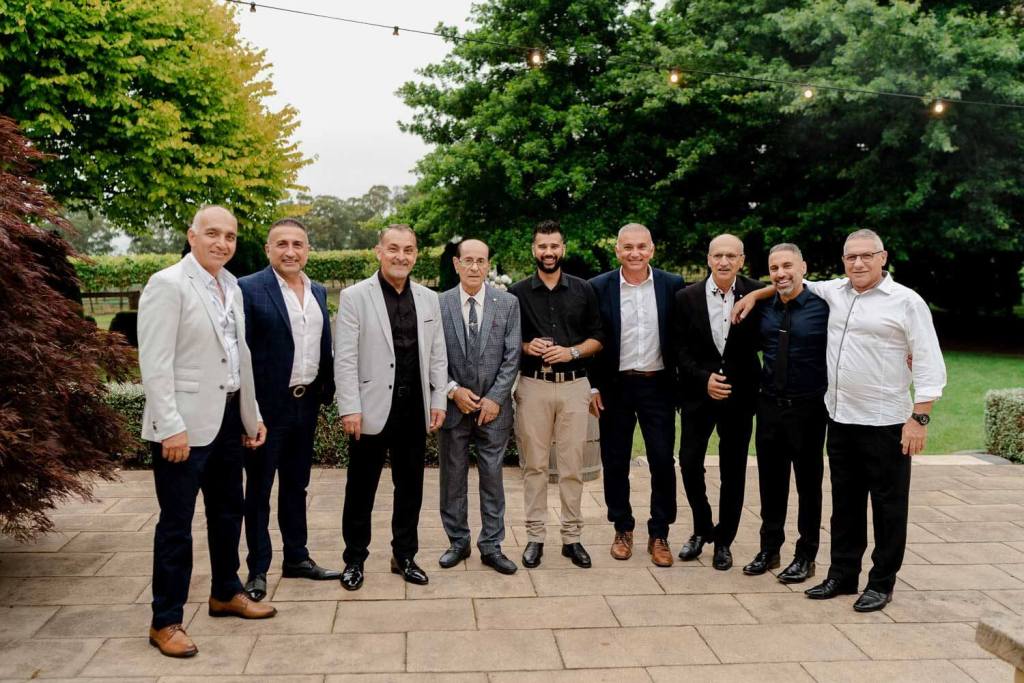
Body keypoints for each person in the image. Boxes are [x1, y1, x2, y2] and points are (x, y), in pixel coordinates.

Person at [734, 228, 946, 611]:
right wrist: (755, 292)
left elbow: (930, 362)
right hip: (841, 417)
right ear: (843, 262)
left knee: (888, 506)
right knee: (845, 504)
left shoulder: (906, 302)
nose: (859, 263)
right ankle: (843, 575)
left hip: (886, 422)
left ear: (883, 257)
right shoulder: (836, 291)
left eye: (867, 256)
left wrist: (920, 418)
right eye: (851, 258)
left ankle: (881, 582)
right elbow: (791, 281)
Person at [138, 205, 275, 658]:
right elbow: (155, 364)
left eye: (230, 236)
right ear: (191, 235)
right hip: (183, 429)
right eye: (212, 233)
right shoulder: (167, 285)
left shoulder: (231, 286)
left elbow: (239, 359)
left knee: (227, 513)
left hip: (228, 419)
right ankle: (165, 620)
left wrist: (250, 416)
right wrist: (169, 427)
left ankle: (224, 592)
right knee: (176, 526)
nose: (222, 243)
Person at [333, 224, 447, 590]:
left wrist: (439, 398)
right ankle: (354, 559)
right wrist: (349, 407)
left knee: (410, 487)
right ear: (378, 251)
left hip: (415, 408)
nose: (401, 256)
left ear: (416, 254)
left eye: (409, 250)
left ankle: (405, 556)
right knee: (360, 489)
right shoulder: (355, 297)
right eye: (394, 249)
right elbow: (345, 359)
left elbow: (438, 356)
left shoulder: (430, 299)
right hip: (369, 409)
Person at [237, 218, 341, 602]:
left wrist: (326, 393)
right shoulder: (248, 289)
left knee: (297, 487)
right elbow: (241, 356)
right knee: (260, 490)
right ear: (269, 249)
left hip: (306, 403)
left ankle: (297, 558)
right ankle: (258, 568)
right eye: (282, 243)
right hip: (266, 410)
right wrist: (249, 414)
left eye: (298, 244)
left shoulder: (316, 290)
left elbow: (323, 344)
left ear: (308, 249)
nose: (290, 251)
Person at [509, 220, 604, 569]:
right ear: (533, 249)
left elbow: (597, 338)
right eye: (541, 246)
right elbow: (507, 343)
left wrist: (572, 352)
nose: (548, 252)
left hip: (574, 385)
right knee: (534, 465)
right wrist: (526, 345)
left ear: (564, 248)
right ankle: (534, 537)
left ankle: (572, 538)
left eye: (554, 246)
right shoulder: (517, 293)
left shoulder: (583, 289)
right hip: (532, 385)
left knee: (571, 467)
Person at [588, 223, 684, 567]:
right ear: (617, 250)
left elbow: (683, 336)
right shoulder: (599, 287)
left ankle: (660, 533)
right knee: (615, 462)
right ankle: (622, 527)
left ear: (652, 249)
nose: (634, 253)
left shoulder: (672, 285)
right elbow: (592, 337)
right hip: (615, 386)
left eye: (641, 247)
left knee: (662, 460)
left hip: (658, 385)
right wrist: (593, 385)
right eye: (627, 247)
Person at [672, 233, 763, 571]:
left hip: (740, 398)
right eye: (718, 255)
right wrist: (704, 379)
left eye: (731, 256)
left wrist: (761, 292)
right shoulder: (686, 297)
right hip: (699, 395)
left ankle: (723, 541)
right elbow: (679, 349)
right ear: (708, 259)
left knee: (733, 470)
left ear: (742, 260)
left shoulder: (757, 293)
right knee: (689, 462)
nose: (724, 262)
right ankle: (701, 527)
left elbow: (795, 287)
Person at [741, 243, 828, 584]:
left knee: (809, 486)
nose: (780, 273)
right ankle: (769, 548)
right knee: (770, 482)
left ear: (803, 266)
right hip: (769, 406)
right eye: (774, 268)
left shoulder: (825, 306)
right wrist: (756, 296)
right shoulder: (764, 308)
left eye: (787, 265)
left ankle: (806, 556)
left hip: (808, 408)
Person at [437, 238, 522, 575]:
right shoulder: (439, 304)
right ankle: (458, 541)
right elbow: (433, 357)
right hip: (454, 408)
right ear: (456, 264)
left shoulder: (508, 303)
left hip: (493, 411)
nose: (474, 267)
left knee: (492, 477)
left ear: (489, 265)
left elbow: (512, 355)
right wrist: (452, 390)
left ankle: (492, 544)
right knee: (452, 477)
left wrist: (495, 398)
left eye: (481, 261)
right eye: (468, 260)